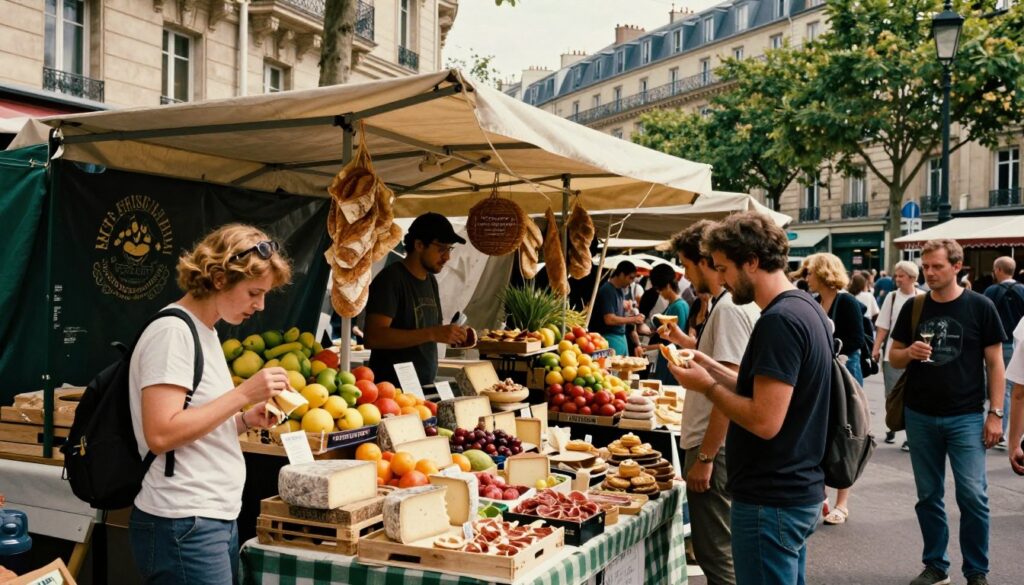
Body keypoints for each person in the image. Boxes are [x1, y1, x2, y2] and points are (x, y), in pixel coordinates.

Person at [666, 211, 832, 585]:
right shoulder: (804, 308)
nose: (721, 278)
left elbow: (763, 419)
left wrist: (707, 387)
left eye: (724, 268)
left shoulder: (779, 321)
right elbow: (768, 386)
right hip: (794, 490)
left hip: (771, 497)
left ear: (752, 262)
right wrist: (711, 366)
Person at [128, 224, 292, 584]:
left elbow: (191, 427)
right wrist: (242, 395)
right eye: (253, 292)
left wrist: (244, 420)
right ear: (219, 278)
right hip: (183, 522)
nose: (260, 305)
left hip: (207, 520)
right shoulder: (173, 333)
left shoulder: (206, 332)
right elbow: (161, 433)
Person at [889, 239, 1005, 585]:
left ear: (957, 267)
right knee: (928, 495)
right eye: (926, 266)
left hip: (966, 416)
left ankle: (976, 570)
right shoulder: (914, 306)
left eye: (937, 266)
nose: (929, 272)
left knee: (973, 495)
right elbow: (893, 356)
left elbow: (995, 362)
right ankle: (936, 566)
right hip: (920, 414)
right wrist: (909, 351)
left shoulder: (980, 306)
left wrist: (995, 413)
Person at [660, 220, 759, 585]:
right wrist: (685, 343)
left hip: (714, 447)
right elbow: (718, 362)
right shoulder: (724, 305)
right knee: (719, 548)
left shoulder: (730, 308)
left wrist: (705, 456)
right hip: (713, 444)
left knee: (717, 553)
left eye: (686, 266)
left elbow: (727, 387)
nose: (685, 276)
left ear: (706, 262)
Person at [792, 253, 864, 526]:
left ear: (823, 273)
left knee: (843, 433)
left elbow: (855, 340)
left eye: (809, 272)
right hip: (821, 371)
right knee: (820, 431)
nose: (806, 277)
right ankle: (820, 494)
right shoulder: (815, 301)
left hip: (844, 372)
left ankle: (842, 504)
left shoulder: (846, 302)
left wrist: (827, 344)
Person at [365, 213, 468, 387]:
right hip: (391, 391)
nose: (447, 257)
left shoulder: (430, 281)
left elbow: (431, 330)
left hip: (424, 387)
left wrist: (451, 334)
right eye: (441, 249)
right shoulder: (391, 279)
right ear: (419, 245)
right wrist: (433, 333)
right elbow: (373, 337)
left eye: (450, 249)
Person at [872, 261, 925, 446]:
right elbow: (882, 326)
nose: (897, 279)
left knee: (914, 395)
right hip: (892, 356)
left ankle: (910, 436)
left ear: (912, 278)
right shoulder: (892, 297)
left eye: (901, 276)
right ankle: (892, 426)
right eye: (896, 275)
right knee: (893, 394)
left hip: (917, 357)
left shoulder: (923, 297)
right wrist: (876, 349)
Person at [982, 256, 1024, 450]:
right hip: (1018, 345)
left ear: (998, 270)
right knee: (1013, 389)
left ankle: (999, 429)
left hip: (998, 344)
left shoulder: (991, 291)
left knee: (1002, 389)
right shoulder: (1023, 290)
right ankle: (1011, 432)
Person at [642, 263, 691, 386]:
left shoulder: (678, 306)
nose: (659, 293)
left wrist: (648, 348)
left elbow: (674, 342)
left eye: (660, 289)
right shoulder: (675, 305)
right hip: (666, 360)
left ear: (668, 286)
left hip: (671, 361)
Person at [589, 261, 645, 356]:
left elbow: (617, 314)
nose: (631, 282)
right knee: (612, 370)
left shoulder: (619, 290)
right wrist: (633, 319)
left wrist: (628, 313)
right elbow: (609, 319)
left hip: (620, 338)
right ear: (622, 274)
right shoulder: (607, 290)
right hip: (609, 339)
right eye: (630, 278)